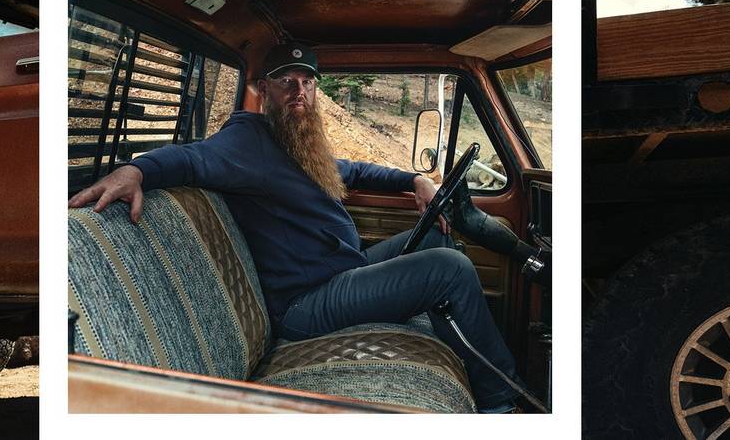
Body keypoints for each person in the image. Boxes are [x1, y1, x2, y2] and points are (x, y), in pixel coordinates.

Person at [68, 42, 522, 413]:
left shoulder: (301, 142)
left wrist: (415, 179)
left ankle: (470, 357)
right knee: (448, 269)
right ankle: (501, 400)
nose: (298, 91)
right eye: (286, 82)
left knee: (442, 235)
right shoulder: (249, 138)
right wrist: (137, 171)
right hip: (306, 303)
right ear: (265, 88)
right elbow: (193, 157)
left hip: (343, 269)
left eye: (306, 82)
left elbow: (355, 171)